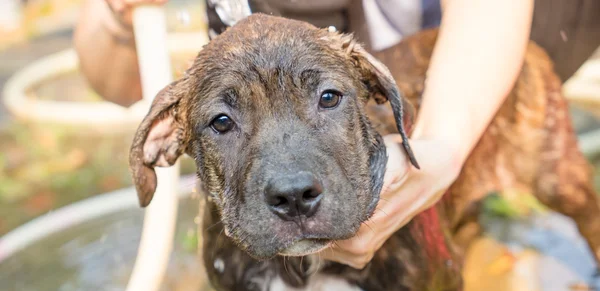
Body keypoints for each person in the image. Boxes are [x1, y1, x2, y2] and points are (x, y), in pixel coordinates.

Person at [74, 0, 599, 268]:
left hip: (493, 32)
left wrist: (445, 144)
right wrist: (118, 15)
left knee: (560, 188)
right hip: (296, 76)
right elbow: (118, 81)